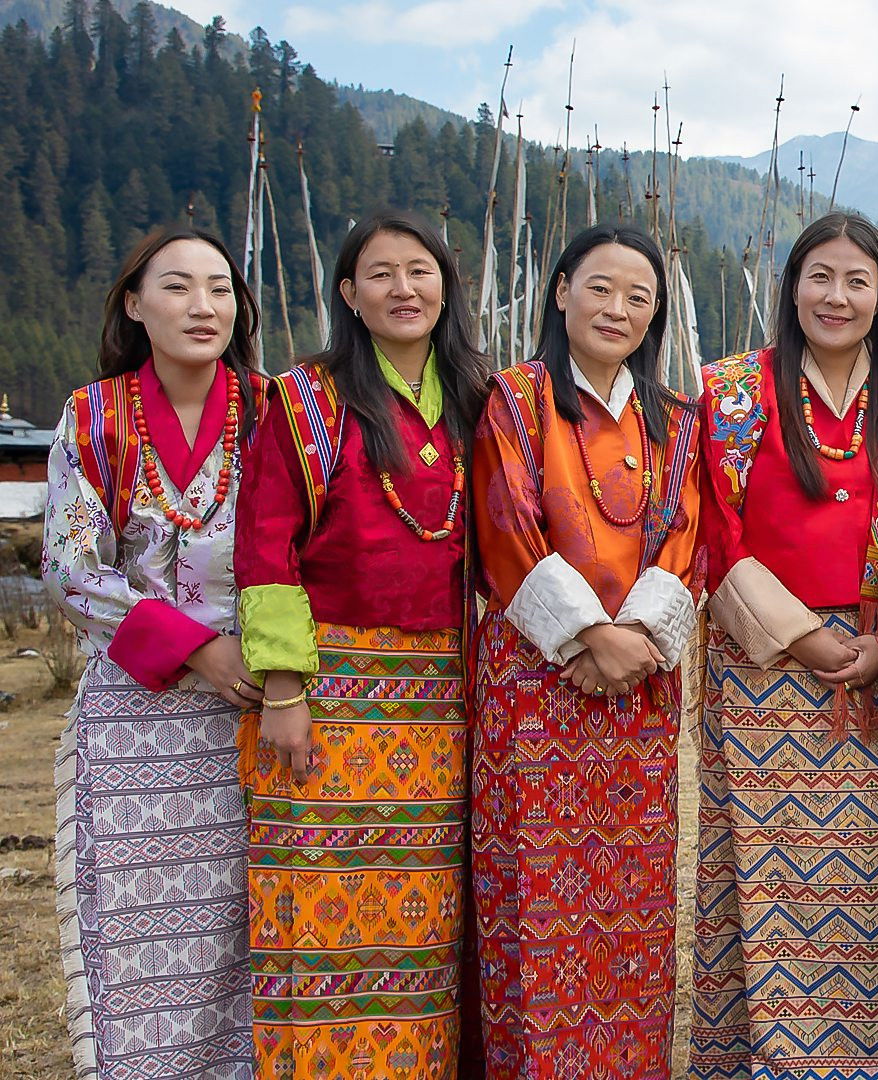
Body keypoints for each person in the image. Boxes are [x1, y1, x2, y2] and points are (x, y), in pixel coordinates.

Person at [236, 210, 490, 1078]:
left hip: (444, 701)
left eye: (420, 271)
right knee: (323, 910)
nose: (403, 290)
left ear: (446, 286)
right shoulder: (305, 399)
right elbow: (266, 546)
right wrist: (283, 690)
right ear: (348, 294)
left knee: (426, 925)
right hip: (329, 692)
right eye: (380, 274)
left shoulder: (478, 398)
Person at [688, 211, 878, 1080]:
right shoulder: (736, 392)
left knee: (856, 883)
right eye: (820, 276)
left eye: (858, 281)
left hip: (867, 672)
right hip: (760, 670)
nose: (837, 296)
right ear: (792, 287)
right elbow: (713, 529)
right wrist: (797, 637)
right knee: (752, 876)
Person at [468, 224, 702, 1079]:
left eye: (639, 297)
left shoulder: (674, 418)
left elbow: (687, 535)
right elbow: (506, 523)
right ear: (560, 290)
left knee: (631, 904)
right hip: (537, 682)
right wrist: (586, 635)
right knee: (533, 900)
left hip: (637, 686)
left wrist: (635, 636)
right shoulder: (514, 399)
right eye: (600, 288)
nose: (617, 309)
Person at [45, 227, 264, 1080]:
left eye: (219, 287)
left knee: (244, 937)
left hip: (252, 709)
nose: (202, 306)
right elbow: (70, 569)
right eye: (177, 287)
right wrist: (197, 649)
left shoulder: (273, 409)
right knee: (141, 941)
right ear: (135, 305)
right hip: (135, 717)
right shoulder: (92, 416)